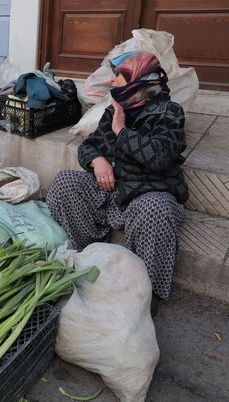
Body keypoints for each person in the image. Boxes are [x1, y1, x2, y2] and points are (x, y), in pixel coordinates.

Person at [45, 51, 188, 315]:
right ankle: (88, 254)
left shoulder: (169, 112)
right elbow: (88, 146)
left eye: (118, 77)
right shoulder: (114, 110)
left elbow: (160, 157)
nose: (111, 82)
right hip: (111, 192)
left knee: (154, 209)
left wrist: (121, 132)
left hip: (148, 193)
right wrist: (97, 161)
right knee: (64, 182)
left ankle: (148, 288)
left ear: (139, 79)